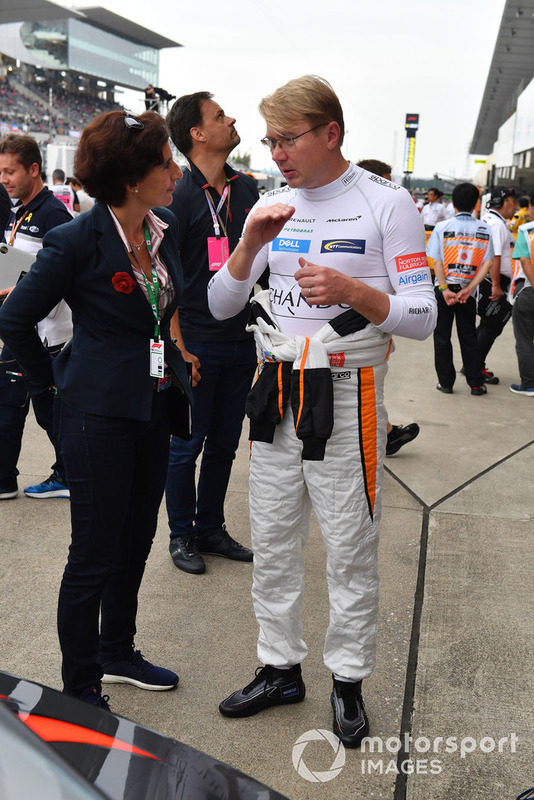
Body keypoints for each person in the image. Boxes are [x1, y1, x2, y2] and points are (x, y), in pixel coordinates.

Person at [207, 75, 436, 747]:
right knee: (273, 541)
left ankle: (347, 681)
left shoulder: (386, 204)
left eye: (288, 138)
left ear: (330, 133)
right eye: (270, 139)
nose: (276, 152)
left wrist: (354, 291)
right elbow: (220, 305)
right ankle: (280, 668)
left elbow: (421, 315)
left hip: (347, 392)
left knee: (350, 547)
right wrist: (249, 244)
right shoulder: (266, 205)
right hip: (275, 387)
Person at [0, 111, 192, 708]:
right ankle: (81, 686)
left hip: (153, 408)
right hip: (96, 416)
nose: (176, 170)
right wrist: (53, 386)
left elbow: (162, 312)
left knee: (136, 538)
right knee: (93, 552)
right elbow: (13, 318)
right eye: (165, 162)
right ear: (133, 178)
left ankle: (117, 650)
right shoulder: (76, 239)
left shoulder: (162, 229)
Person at [164, 92, 257, 574]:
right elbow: (164, 278)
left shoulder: (245, 191)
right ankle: (181, 536)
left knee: (224, 442)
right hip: (194, 344)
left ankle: (211, 528)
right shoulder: (176, 195)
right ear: (198, 134)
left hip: (239, 343)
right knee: (185, 445)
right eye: (220, 116)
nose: (232, 119)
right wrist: (179, 347)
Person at [0, 133, 72, 500]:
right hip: (21, 329)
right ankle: (4, 479)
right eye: (1, 172)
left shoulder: (53, 213)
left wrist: (19, 292)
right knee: (8, 403)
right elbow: (18, 265)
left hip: (50, 335)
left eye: (10, 171)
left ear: (33, 169)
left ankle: (69, 474)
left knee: (50, 412)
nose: (4, 179)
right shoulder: (19, 210)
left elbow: (61, 274)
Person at [357, 158, 420, 455]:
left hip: (379, 319)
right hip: (356, 328)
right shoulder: (363, 218)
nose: (393, 187)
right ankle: (386, 435)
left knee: (371, 391)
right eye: (387, 180)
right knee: (366, 393)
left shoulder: (387, 214)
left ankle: (387, 433)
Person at [426, 183, 494, 395]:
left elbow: (436, 262)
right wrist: (469, 289)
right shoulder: (484, 228)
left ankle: (446, 383)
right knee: (469, 336)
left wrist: (445, 289)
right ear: (476, 203)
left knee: (442, 337)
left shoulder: (442, 227)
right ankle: (476, 383)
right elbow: (487, 264)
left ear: (453, 203)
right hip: (468, 292)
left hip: (444, 291)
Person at [478, 187, 516, 382]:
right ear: (504, 202)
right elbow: (495, 256)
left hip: (489, 279)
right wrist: (496, 285)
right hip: (494, 280)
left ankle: (473, 363)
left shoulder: (490, 220)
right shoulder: (497, 225)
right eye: (512, 201)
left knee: (487, 323)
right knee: (493, 325)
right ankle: (475, 367)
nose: (515, 206)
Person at [509, 190, 534, 395]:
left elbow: (525, 262)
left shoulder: (527, 230)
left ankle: (529, 384)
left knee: (524, 339)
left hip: (529, 291)